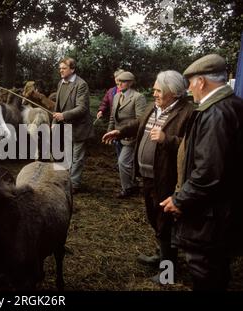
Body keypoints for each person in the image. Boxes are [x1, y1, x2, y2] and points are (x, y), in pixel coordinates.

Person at [160, 54, 243, 290]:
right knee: (216, 270)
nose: (189, 89)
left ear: (202, 82)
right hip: (223, 213)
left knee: (205, 272)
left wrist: (180, 199)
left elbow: (209, 171)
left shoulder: (215, 113)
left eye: (190, 83)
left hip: (209, 218)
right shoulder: (233, 105)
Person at [102, 70, 194, 282]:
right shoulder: (155, 107)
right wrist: (120, 131)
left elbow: (191, 148)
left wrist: (166, 139)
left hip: (167, 178)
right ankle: (161, 256)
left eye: (158, 90)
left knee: (166, 222)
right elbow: (138, 125)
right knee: (154, 218)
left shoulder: (188, 113)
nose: (154, 93)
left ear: (173, 92)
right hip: (147, 176)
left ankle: (168, 273)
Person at [53, 57, 95, 193]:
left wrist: (64, 115)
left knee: (77, 157)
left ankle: (74, 184)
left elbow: (82, 108)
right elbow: (57, 106)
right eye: (60, 68)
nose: (61, 71)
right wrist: (54, 122)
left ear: (72, 69)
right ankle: (67, 180)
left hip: (80, 127)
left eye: (64, 68)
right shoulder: (61, 83)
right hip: (66, 126)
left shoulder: (81, 84)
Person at [107, 71, 148, 198]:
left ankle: (128, 188)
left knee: (123, 162)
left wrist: (129, 133)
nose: (119, 84)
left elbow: (140, 120)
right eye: (118, 81)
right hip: (117, 136)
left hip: (130, 136)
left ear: (130, 83)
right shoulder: (116, 97)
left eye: (123, 81)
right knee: (125, 164)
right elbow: (112, 117)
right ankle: (132, 183)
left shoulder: (138, 97)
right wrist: (109, 131)